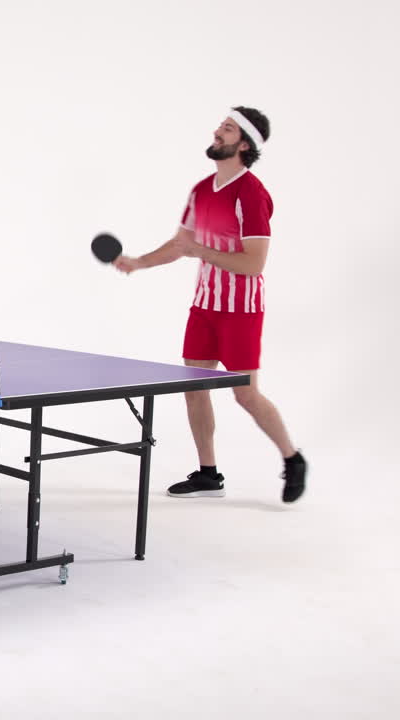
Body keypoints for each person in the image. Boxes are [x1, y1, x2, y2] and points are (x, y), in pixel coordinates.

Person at [113, 107, 307, 504]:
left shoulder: (252, 194)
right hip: (205, 307)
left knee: (246, 395)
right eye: (220, 126)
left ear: (245, 144)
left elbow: (254, 263)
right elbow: (180, 244)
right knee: (194, 387)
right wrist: (139, 262)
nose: (217, 132)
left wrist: (199, 249)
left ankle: (293, 457)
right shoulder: (201, 190)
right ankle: (208, 474)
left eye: (228, 128)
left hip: (242, 311)